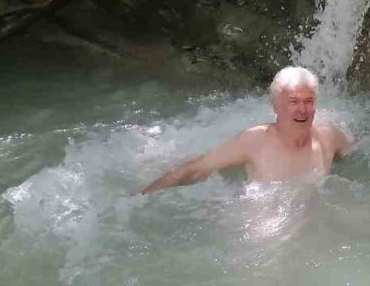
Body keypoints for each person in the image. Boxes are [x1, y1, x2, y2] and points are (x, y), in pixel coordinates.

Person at [141, 66, 351, 194]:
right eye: (293, 101)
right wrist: (140, 199)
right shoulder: (254, 141)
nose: (302, 109)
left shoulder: (328, 137)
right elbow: (195, 169)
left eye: (309, 101)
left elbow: (356, 155)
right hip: (266, 229)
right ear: (276, 105)